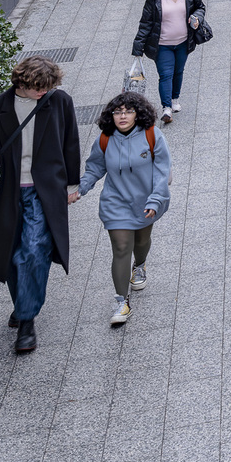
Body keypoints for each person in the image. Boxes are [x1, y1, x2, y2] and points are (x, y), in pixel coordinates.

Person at [0, 56, 83, 355]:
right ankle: (23, 303)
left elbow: (70, 142)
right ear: (23, 83)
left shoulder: (60, 102)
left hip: (44, 192)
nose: (45, 92)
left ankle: (26, 323)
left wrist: (72, 184)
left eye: (50, 87)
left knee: (33, 251)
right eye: (40, 88)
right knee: (11, 254)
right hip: (5, 192)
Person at [77, 91, 170, 329]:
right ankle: (121, 302)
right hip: (115, 202)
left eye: (128, 111)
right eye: (118, 112)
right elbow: (94, 167)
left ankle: (140, 265)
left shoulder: (152, 135)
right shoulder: (105, 139)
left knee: (141, 241)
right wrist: (80, 189)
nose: (122, 116)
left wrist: (155, 199)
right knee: (120, 248)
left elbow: (162, 171)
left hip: (145, 201)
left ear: (138, 114)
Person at [133, 0, 207, 123]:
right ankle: (166, 108)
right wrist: (138, 47)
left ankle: (174, 100)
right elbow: (145, 23)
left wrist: (197, 18)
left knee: (178, 71)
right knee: (166, 74)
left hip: (183, 42)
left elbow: (200, 7)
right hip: (162, 45)